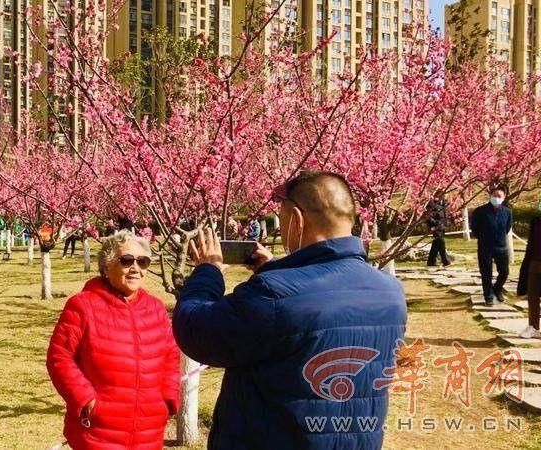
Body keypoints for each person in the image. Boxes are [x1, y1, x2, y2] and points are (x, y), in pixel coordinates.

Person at [173, 171, 406, 450]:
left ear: (296, 219)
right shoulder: (390, 292)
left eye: (281, 219)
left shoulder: (273, 294)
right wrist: (277, 268)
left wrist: (207, 272)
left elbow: (196, 329)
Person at [46, 231, 180, 449]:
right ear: (107, 267)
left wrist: (168, 398)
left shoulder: (155, 308)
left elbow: (170, 356)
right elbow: (59, 357)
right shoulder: (83, 305)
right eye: (127, 261)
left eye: (142, 262)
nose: (135, 268)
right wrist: (85, 398)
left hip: (148, 431)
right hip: (98, 432)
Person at [471, 187, 513, 306]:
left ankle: (497, 288)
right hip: (485, 247)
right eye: (495, 195)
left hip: (501, 246)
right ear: (490, 196)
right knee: (486, 273)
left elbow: (507, 228)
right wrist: (484, 238)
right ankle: (488, 296)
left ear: (503, 198)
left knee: (504, 272)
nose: (497, 198)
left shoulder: (507, 212)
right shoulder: (480, 211)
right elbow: (475, 228)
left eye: (499, 196)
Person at [518, 202, 541, 338]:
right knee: (532, 295)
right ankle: (533, 327)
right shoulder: (536, 220)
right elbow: (531, 243)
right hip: (534, 261)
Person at [426, 191, 451, 267]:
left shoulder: (445, 202)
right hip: (435, 226)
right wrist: (435, 223)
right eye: (444, 193)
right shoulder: (431, 203)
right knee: (441, 241)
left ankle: (431, 261)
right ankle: (445, 260)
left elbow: (447, 214)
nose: (445, 195)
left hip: (443, 226)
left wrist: (447, 223)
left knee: (437, 243)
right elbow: (428, 216)